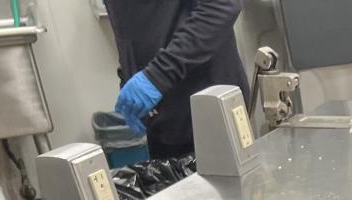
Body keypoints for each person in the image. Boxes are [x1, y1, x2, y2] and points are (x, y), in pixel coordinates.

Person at [104, 0, 250, 159]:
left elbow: (222, 6)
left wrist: (157, 76)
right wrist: (128, 74)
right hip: (160, 118)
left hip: (208, 108)